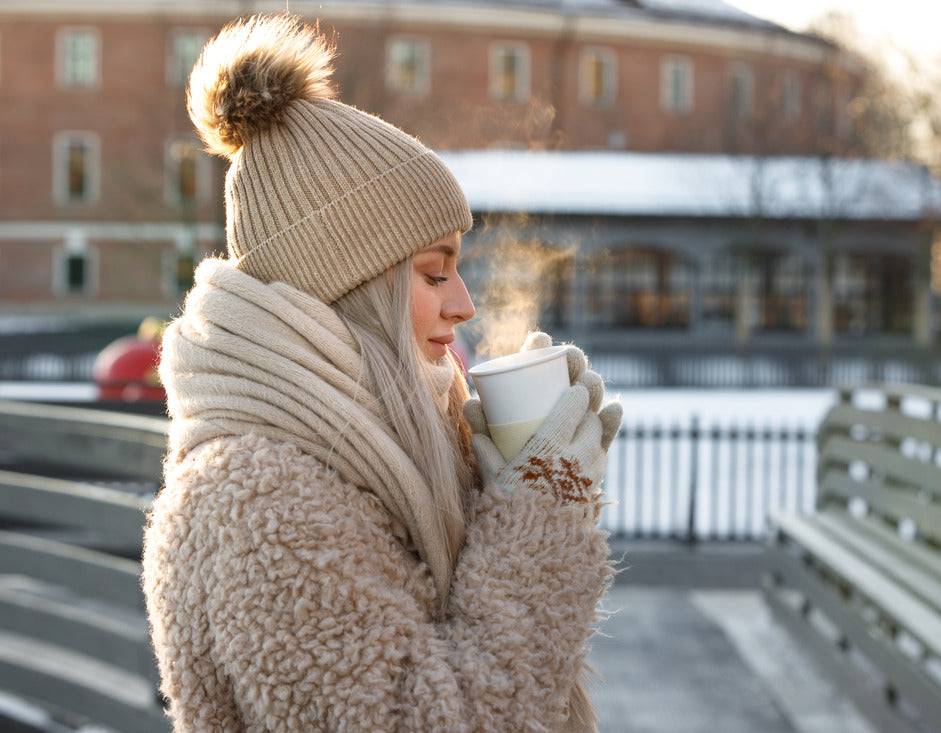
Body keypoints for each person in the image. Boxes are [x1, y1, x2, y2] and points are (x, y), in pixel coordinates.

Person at [141, 14, 622, 733]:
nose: (464, 304)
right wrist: (543, 517)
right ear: (350, 282)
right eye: (434, 272)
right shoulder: (257, 501)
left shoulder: (363, 448)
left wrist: (502, 486)